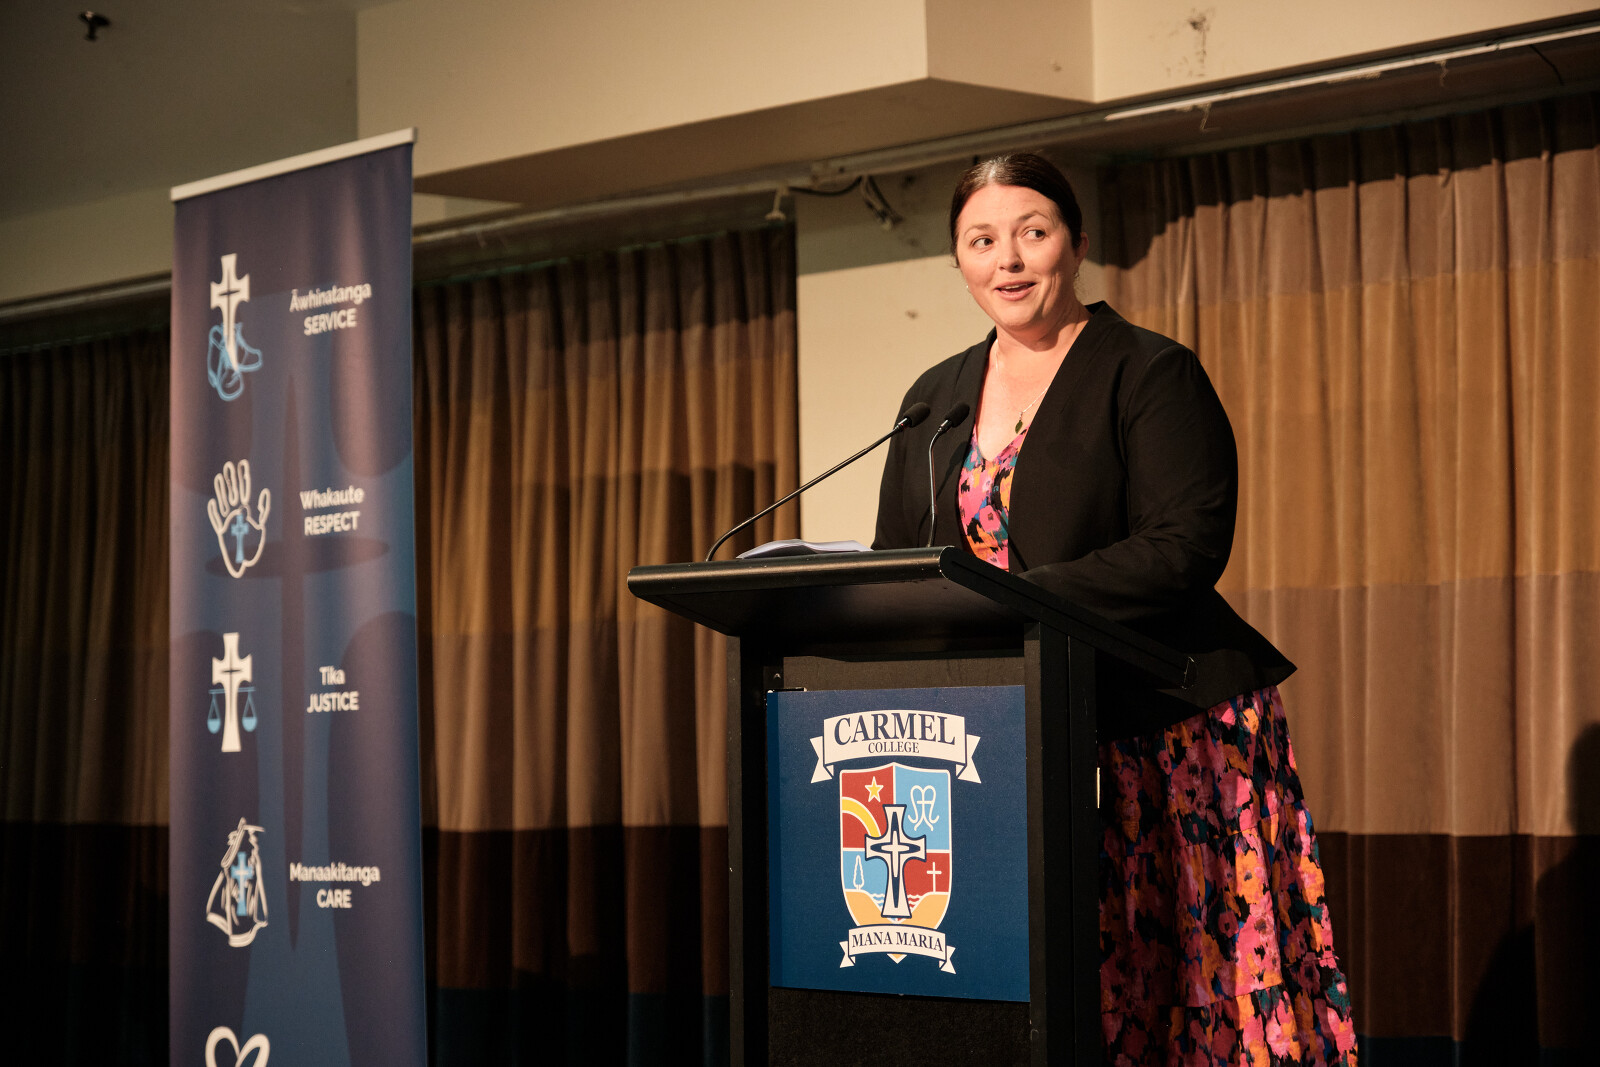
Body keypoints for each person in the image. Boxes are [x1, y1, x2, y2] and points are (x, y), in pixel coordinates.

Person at [873, 153, 1360, 1065]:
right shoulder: (932, 400)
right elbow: (899, 564)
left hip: (1165, 726)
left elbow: (1183, 545)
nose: (1008, 260)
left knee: (1191, 987)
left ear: (1076, 243)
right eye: (982, 240)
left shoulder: (1148, 371)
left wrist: (1011, 600)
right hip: (1007, 737)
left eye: (1033, 232)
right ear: (958, 260)